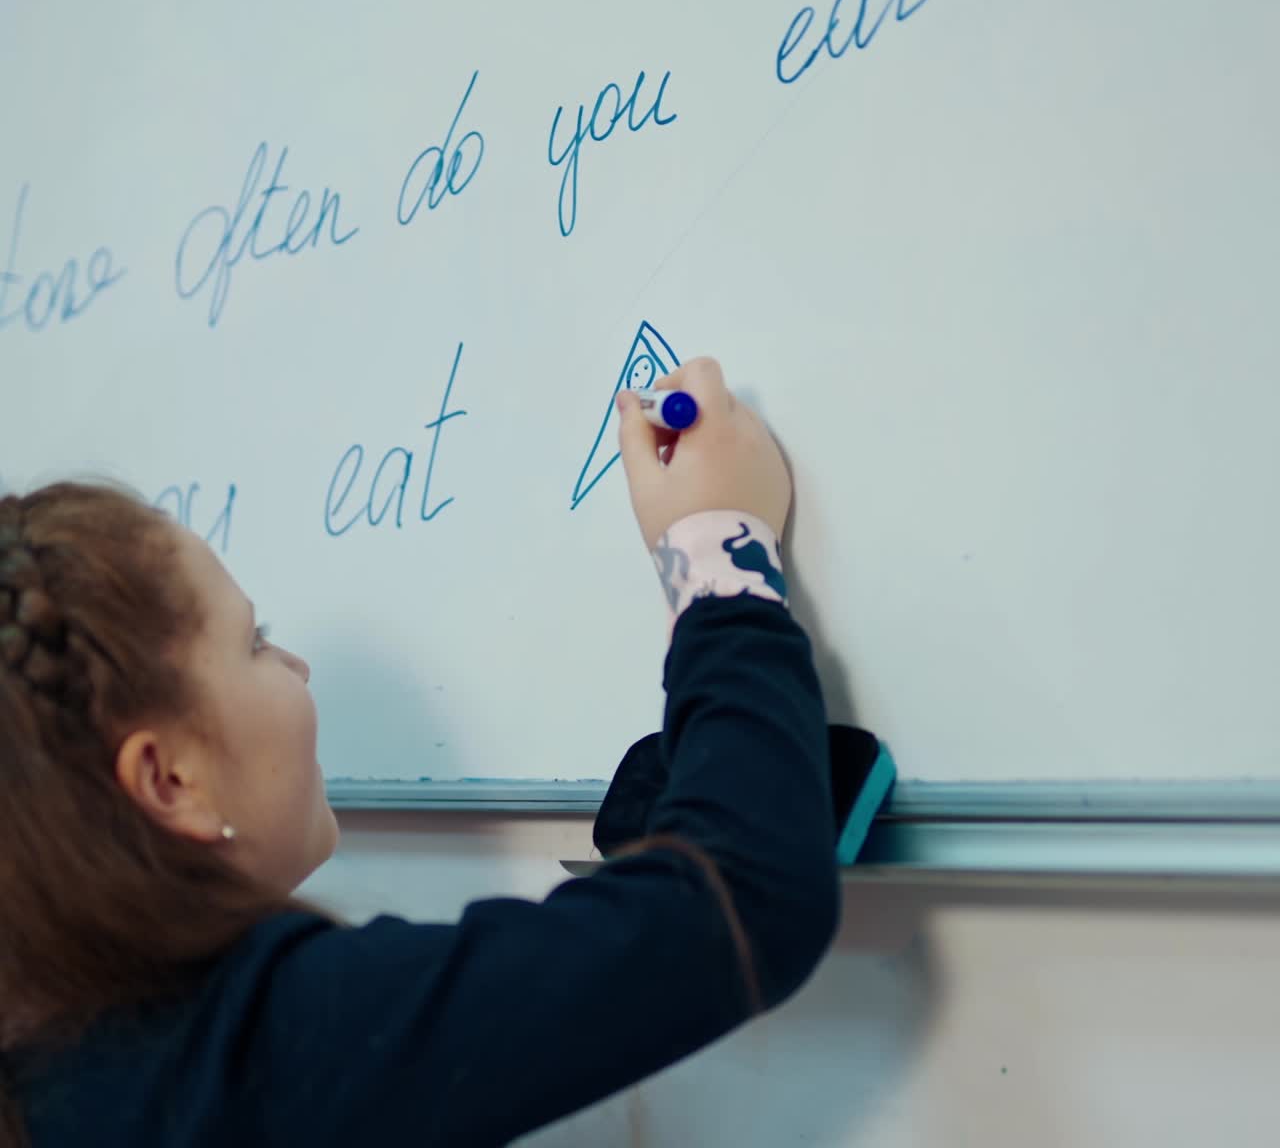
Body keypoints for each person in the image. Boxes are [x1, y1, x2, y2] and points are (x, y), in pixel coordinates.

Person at [0, 357, 842, 1147]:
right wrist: (719, 552)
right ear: (166, 779)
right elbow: (746, 899)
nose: (294, 667)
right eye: (255, 644)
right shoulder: (256, 1054)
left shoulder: (52, 1062)